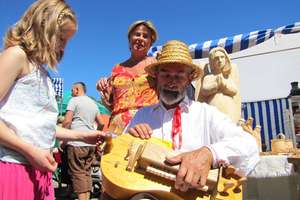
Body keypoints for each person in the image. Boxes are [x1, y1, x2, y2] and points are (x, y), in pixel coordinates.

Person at [125, 40, 259, 196]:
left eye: (179, 75)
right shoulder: (143, 115)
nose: (171, 81)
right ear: (156, 77)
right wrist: (131, 141)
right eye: (165, 74)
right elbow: (119, 157)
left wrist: (209, 154)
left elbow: (249, 147)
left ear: (189, 79)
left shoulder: (206, 113)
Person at [0, 1, 105, 199]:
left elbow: (42, 126)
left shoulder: (43, 74)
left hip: (38, 167)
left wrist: (82, 136)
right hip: (13, 166)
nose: (64, 46)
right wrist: (30, 151)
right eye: (62, 38)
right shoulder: (16, 56)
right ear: (43, 28)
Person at [96, 20, 159, 135]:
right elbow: (110, 103)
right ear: (130, 39)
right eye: (137, 34)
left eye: (145, 36)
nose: (140, 38)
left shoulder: (155, 64)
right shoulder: (117, 68)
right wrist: (103, 85)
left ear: (150, 42)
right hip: (117, 127)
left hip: (147, 126)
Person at [62, 82, 102, 200]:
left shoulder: (74, 101)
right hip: (90, 144)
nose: (71, 92)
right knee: (86, 173)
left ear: (77, 89)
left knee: (77, 173)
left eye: (72, 90)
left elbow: (67, 121)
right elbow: (102, 123)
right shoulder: (93, 104)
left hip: (76, 142)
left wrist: (63, 138)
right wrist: (96, 135)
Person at [196, 47, 242, 123]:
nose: (220, 60)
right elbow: (204, 90)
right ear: (212, 61)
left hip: (229, 109)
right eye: (216, 58)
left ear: (226, 59)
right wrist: (216, 85)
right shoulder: (208, 77)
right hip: (213, 108)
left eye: (222, 57)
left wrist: (224, 85)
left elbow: (234, 91)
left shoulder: (228, 77)